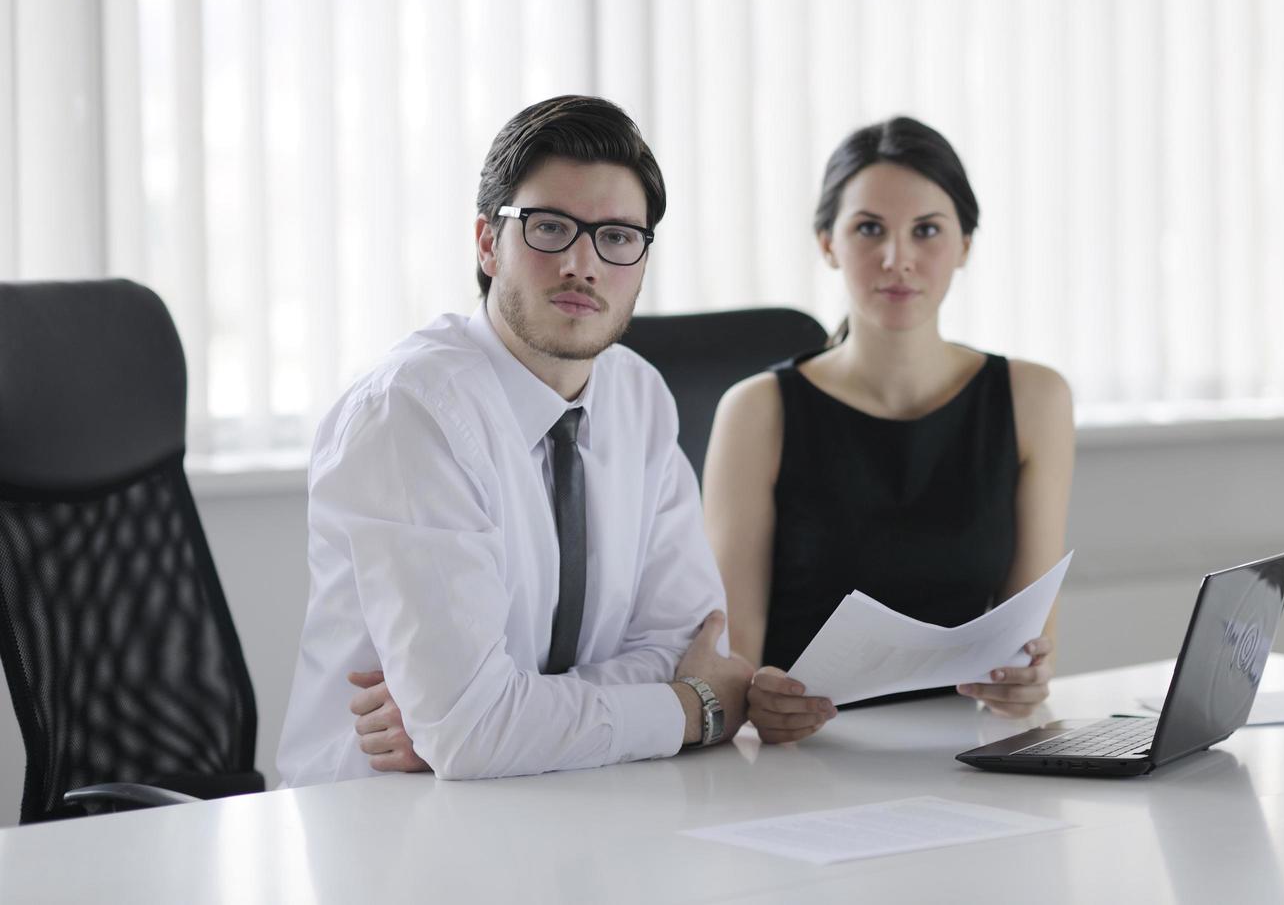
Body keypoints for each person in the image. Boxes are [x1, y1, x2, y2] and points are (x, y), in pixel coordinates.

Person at [277, 95, 753, 784]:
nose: (583, 266)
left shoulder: (638, 396)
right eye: (550, 228)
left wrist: (503, 717)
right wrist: (692, 707)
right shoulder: (412, 414)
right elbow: (475, 732)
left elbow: (689, 642)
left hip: (567, 802)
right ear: (486, 243)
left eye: (617, 237)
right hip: (386, 830)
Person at [702, 116, 1075, 744]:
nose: (897, 259)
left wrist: (1024, 682)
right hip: (803, 758)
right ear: (827, 243)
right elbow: (734, 666)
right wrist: (754, 697)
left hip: (962, 755)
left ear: (965, 246)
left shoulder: (1034, 398)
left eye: (926, 231)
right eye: (868, 228)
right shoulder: (757, 410)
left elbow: (1030, 648)